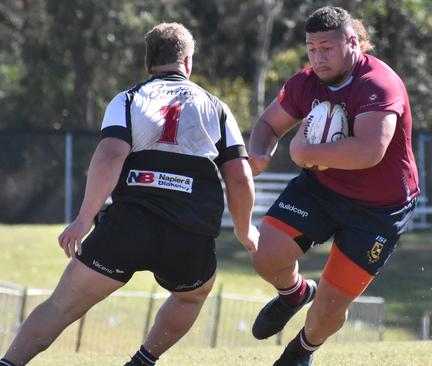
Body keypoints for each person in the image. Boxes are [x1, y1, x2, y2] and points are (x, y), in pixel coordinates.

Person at [0, 22, 258, 366]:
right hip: (188, 233)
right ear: (188, 61)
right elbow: (239, 176)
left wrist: (83, 220)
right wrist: (244, 229)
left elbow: (109, 155)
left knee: (59, 305)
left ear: (148, 61)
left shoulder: (128, 99)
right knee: (192, 296)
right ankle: (143, 361)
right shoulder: (216, 107)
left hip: (128, 227)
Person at [247, 6, 419, 366]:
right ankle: (294, 294)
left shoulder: (378, 84)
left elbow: (369, 151)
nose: (318, 57)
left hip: (378, 210)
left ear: (352, 42)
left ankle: (299, 352)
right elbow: (267, 125)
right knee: (266, 256)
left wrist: (305, 150)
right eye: (311, 49)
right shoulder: (305, 82)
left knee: (329, 307)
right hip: (321, 190)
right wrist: (259, 154)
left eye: (326, 48)